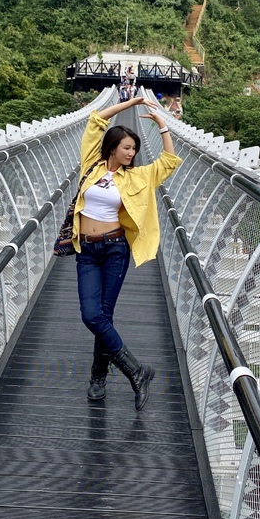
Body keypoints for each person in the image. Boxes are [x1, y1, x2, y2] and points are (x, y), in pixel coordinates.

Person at [70, 95, 181, 410]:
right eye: (127, 148)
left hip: (115, 250)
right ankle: (136, 370)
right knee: (92, 316)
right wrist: (130, 101)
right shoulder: (92, 163)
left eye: (134, 149)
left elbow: (169, 163)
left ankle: (98, 378)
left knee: (101, 316)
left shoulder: (138, 176)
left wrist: (162, 125)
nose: (132, 154)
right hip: (87, 252)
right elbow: (95, 121)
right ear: (112, 148)